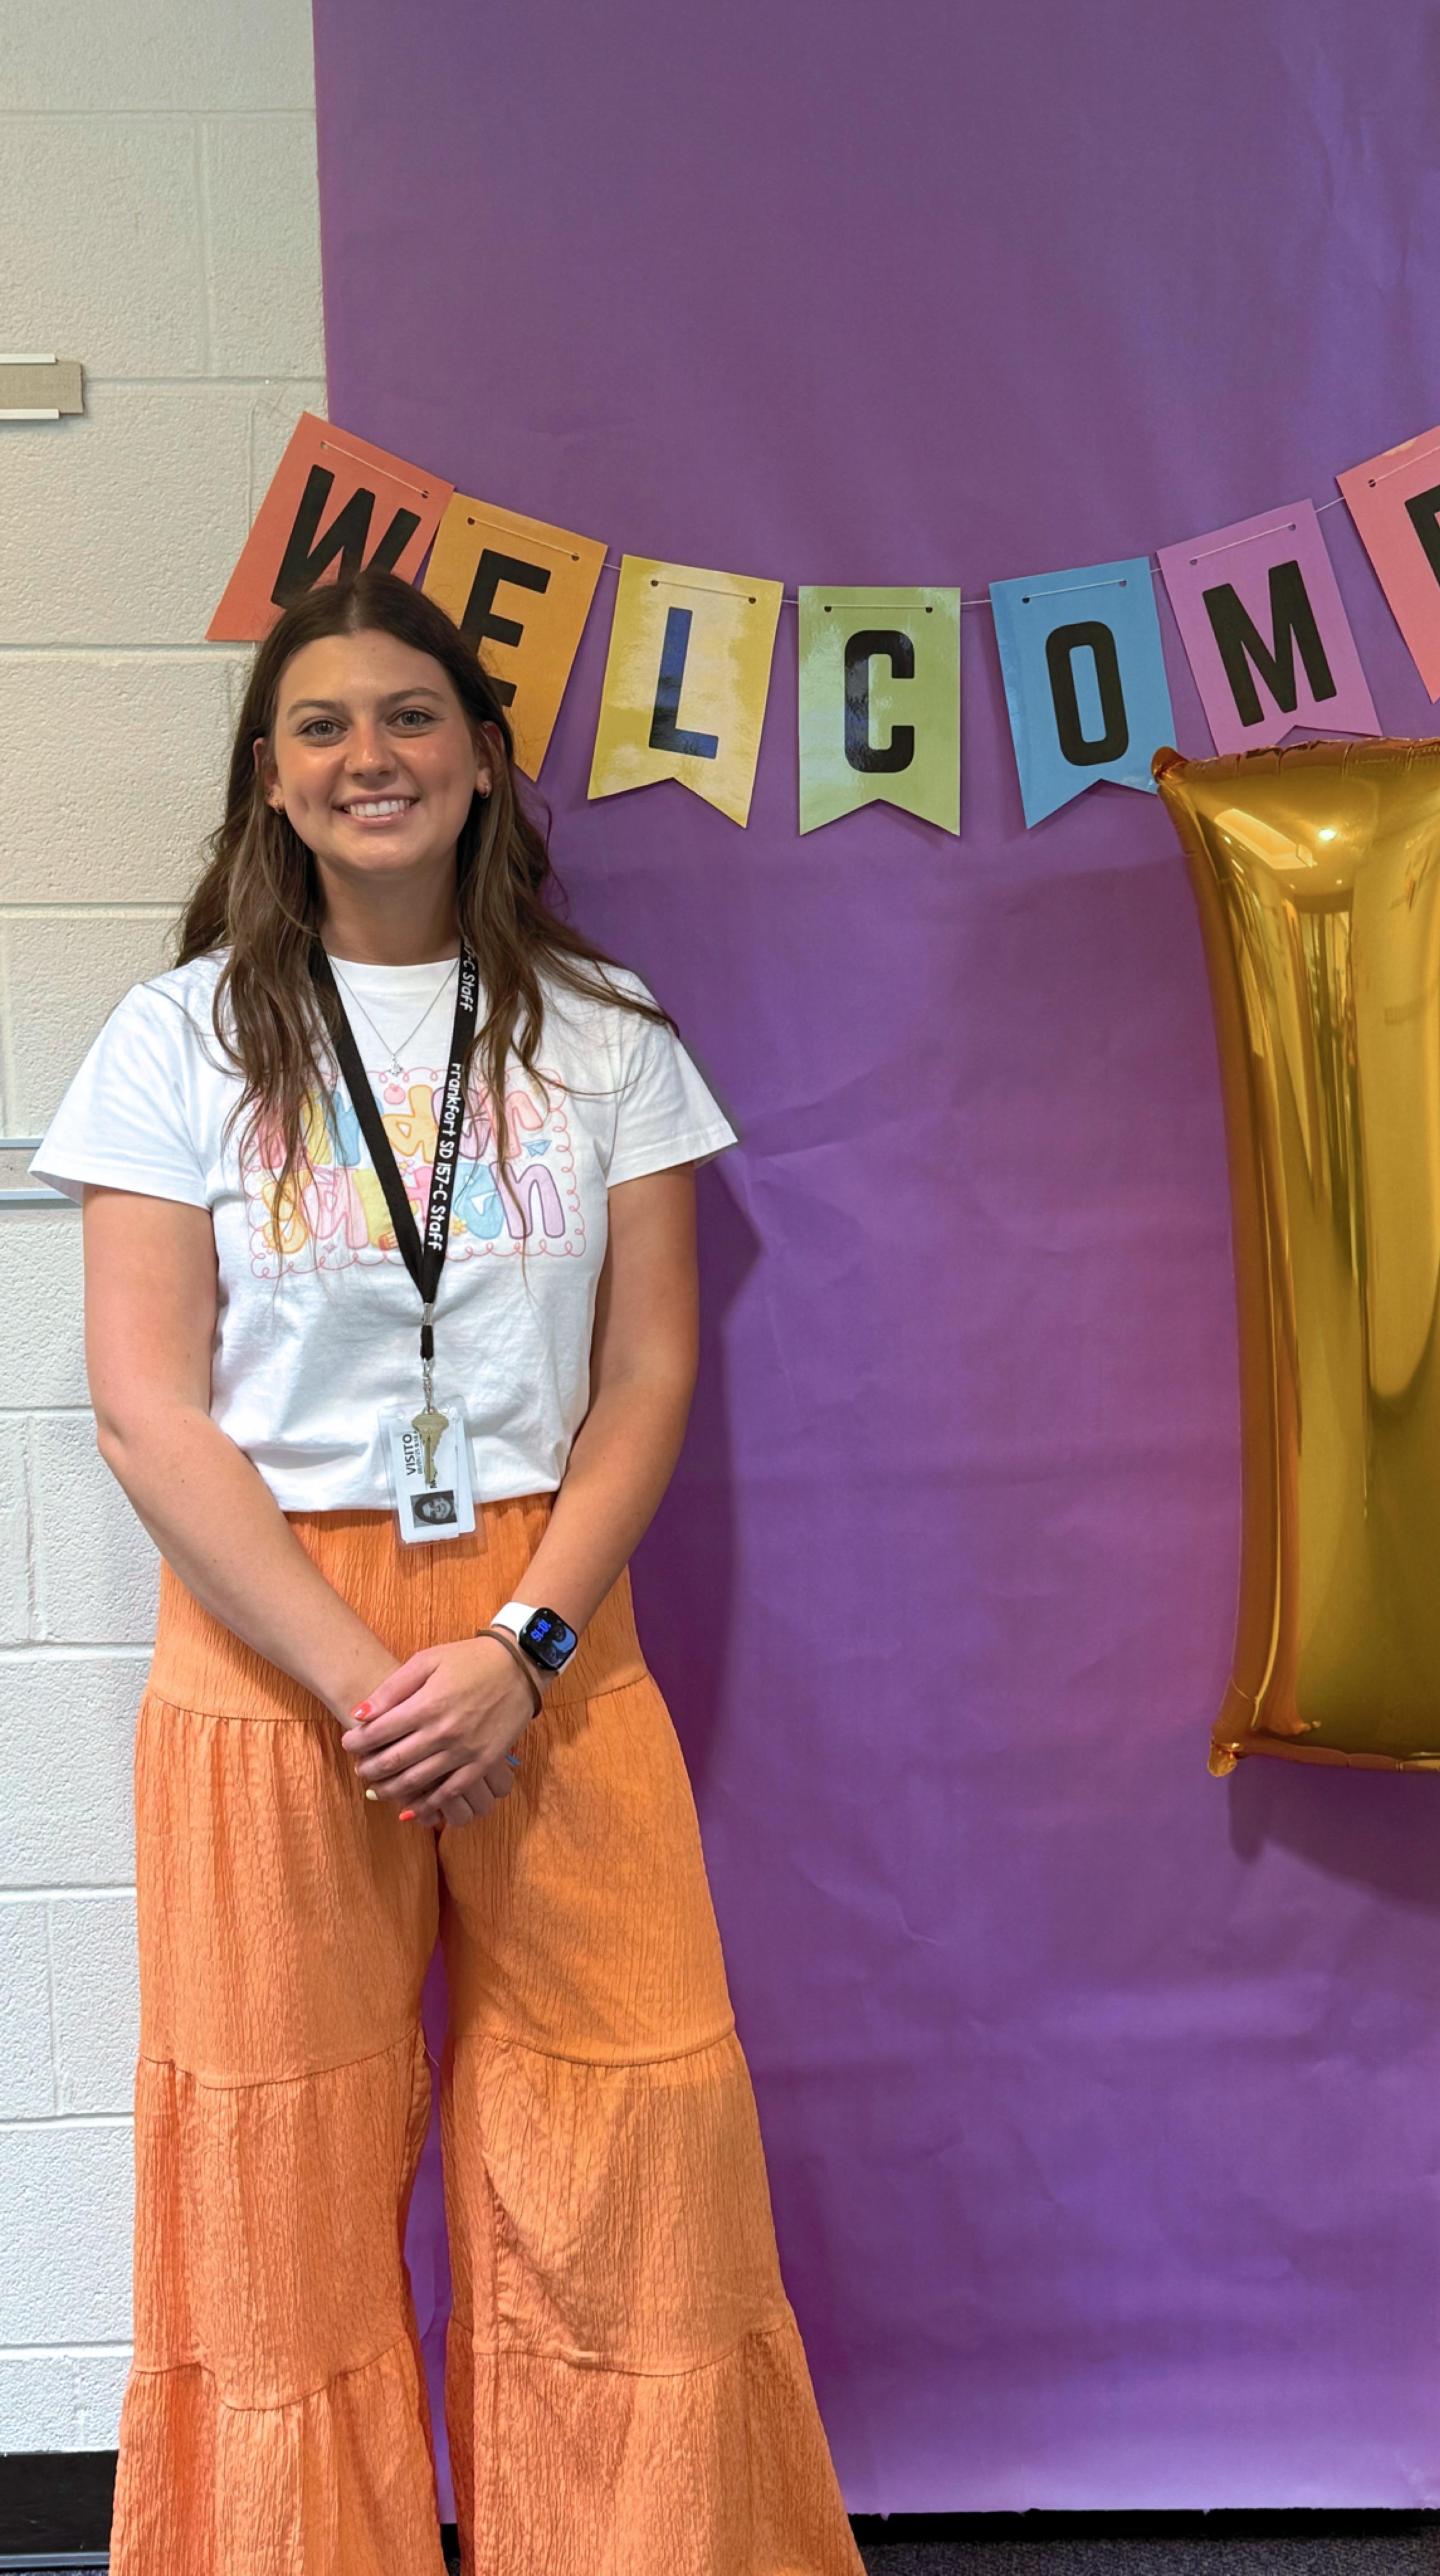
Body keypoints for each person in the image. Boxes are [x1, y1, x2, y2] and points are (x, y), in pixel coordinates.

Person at [31, 570, 864, 2576]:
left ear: (483, 763)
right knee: (280, 2171)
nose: (368, 756)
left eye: (410, 716)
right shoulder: (174, 1042)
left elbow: (652, 1371)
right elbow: (151, 1411)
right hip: (269, 1647)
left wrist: (520, 1645)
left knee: (627, 2132)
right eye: (321, 725)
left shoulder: (605, 1038)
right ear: (270, 778)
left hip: (545, 1626)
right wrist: (349, 1675)